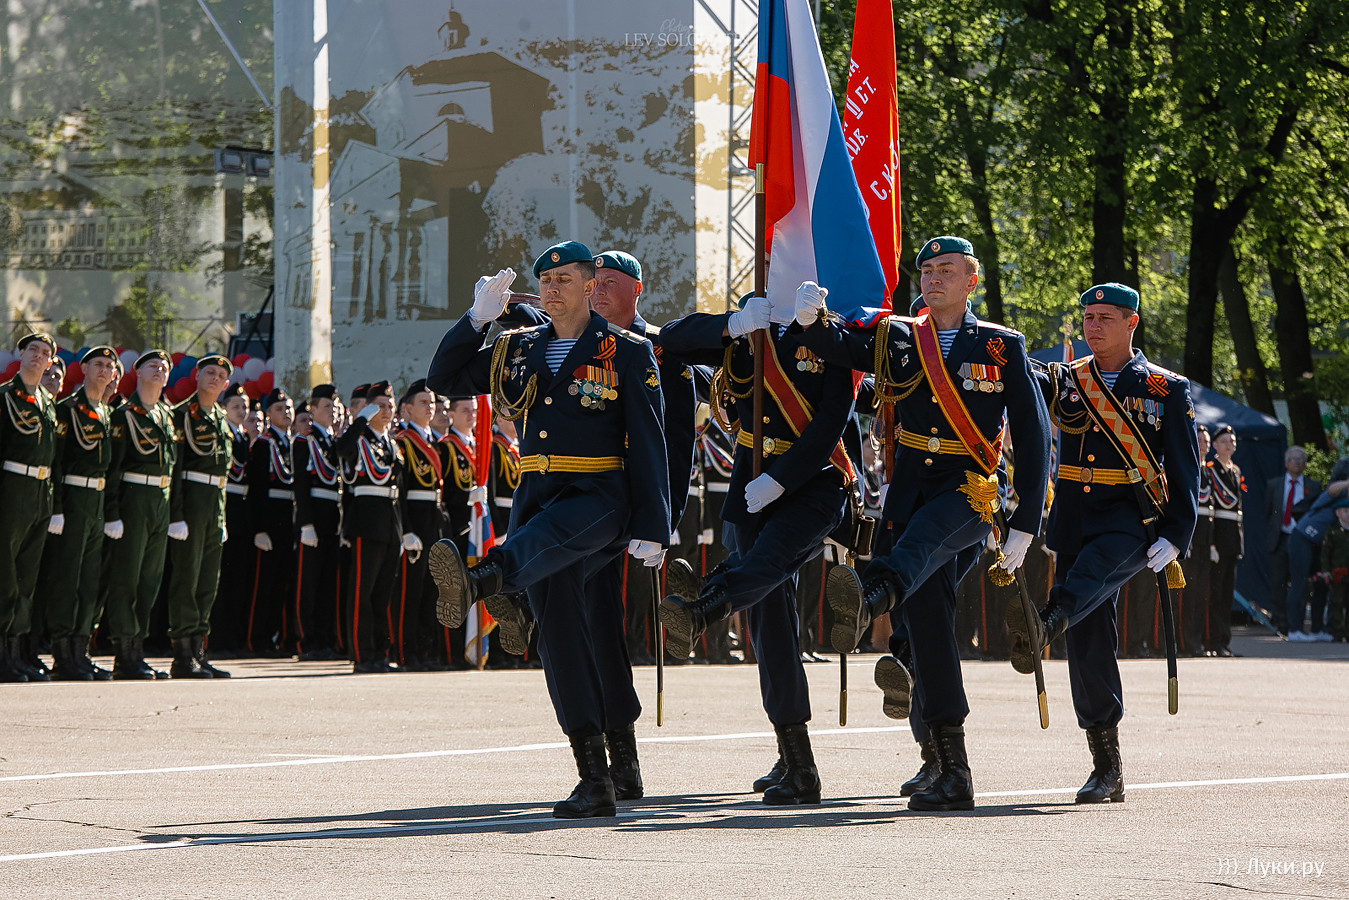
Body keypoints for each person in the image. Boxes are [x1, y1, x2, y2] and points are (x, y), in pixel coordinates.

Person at [793, 236, 1050, 811]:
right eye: (927, 270)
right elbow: (844, 349)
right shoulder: (901, 336)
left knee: (924, 541)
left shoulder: (1001, 345)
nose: (933, 278)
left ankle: (872, 594)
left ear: (971, 280)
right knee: (930, 628)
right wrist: (813, 320)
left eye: (946, 270)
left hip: (969, 489)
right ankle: (951, 768)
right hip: (909, 491)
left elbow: (1034, 436)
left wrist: (1025, 522)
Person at [426, 241, 669, 818]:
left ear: (590, 285)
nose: (553, 288)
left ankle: (483, 577)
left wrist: (654, 524)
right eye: (545, 280)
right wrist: (476, 319)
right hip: (536, 493)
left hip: (600, 494)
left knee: (548, 542)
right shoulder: (518, 346)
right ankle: (594, 777)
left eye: (564, 279)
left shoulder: (626, 351)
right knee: (560, 636)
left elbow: (650, 441)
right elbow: (445, 378)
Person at [657, 274, 859, 806]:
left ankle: (705, 605)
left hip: (812, 482)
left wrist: (783, 479)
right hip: (750, 484)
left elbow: (832, 422)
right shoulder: (750, 327)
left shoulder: (828, 332)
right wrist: (735, 323)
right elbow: (672, 340)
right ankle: (795, 759)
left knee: (766, 564)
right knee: (769, 622)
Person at [1009, 282, 1199, 804]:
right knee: (1089, 640)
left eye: (1105, 318)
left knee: (1088, 574)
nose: (1093, 327)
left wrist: (1178, 533)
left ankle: (1046, 620)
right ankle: (1106, 765)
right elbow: (1016, 383)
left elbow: (1185, 468)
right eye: (1088, 318)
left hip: (1133, 519)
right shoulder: (1066, 379)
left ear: (1131, 323)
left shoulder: (1165, 388)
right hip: (1075, 517)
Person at [42, 346, 119, 680]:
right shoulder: (67, 409)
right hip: (73, 497)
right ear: (84, 369)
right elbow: (56, 461)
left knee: (90, 580)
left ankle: (81, 649)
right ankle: (62, 654)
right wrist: (57, 508)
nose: (103, 370)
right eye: (97, 364)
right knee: (67, 578)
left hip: (96, 500)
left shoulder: (105, 412)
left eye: (109, 366)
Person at [103, 350, 179, 679]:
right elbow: (113, 468)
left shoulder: (166, 415)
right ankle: (124, 654)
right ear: (138, 372)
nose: (159, 370)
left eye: (164, 367)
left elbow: (174, 468)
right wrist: (112, 512)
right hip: (133, 499)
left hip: (160, 500)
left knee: (150, 579)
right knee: (127, 578)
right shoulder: (124, 415)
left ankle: (138, 648)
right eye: (153, 366)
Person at [165, 355, 236, 678]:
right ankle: (182, 656)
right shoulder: (182, 415)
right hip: (191, 504)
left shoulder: (220, 418)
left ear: (226, 384)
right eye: (210, 372)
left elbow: (222, 473)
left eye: (221, 375)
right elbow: (176, 468)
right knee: (187, 579)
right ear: (196, 376)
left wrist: (221, 518)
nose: (215, 378)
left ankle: (198, 651)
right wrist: (177, 514)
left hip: (213, 506)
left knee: (208, 582)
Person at [334, 381, 409, 673]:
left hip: (390, 523)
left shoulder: (391, 444)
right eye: (379, 406)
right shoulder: (360, 439)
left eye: (390, 405)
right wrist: (360, 420)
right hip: (366, 522)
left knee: (383, 594)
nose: (386, 411)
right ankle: (362, 654)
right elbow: (341, 450)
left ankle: (380, 652)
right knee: (361, 593)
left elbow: (399, 491)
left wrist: (403, 531)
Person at [0, 333, 59, 682]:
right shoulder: (5, 397)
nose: (38, 355)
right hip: (13, 488)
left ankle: (16, 652)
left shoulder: (48, 402)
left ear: (50, 362)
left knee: (26, 577)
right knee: (5, 573)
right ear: (20, 354)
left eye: (45, 352)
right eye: (33, 349)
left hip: (40, 492)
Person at [393, 379, 442, 670]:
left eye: (432, 402)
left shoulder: (434, 441)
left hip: (434, 518)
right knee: (410, 591)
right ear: (408, 408)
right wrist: (407, 529)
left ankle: (425, 650)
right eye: (423, 402)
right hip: (415, 519)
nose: (430, 407)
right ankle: (404, 651)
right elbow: (401, 490)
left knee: (431, 590)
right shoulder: (403, 441)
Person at [292, 384, 344, 660]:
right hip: (314, 516)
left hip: (333, 517)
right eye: (326, 406)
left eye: (334, 406)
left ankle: (325, 639)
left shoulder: (334, 442)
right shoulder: (304, 442)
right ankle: (307, 641)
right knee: (308, 584)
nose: (332, 410)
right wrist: (305, 523)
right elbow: (301, 485)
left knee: (328, 584)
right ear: (312, 410)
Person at [246, 388, 297, 656]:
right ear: (268, 414)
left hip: (288, 519)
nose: (285, 412)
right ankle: (257, 640)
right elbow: (257, 489)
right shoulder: (264, 444)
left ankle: (275, 638)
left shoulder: (292, 443)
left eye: (288, 408)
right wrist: (260, 528)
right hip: (270, 519)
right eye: (279, 409)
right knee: (263, 585)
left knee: (282, 583)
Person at [1283, 460, 1349, 640]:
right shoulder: (1336, 490)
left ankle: (1317, 629)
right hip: (1302, 537)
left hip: (1319, 543)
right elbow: (1332, 489)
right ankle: (1294, 629)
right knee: (1299, 583)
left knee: (1322, 583)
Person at [213, 383, 254, 655]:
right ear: (224, 408)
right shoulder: (222, 434)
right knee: (222, 578)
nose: (241, 411)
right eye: (235, 406)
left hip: (241, 512)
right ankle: (217, 640)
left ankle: (233, 638)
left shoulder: (242, 437)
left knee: (239, 579)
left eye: (244, 406)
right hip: (225, 505)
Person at [1267, 447, 1319, 632]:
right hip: (1280, 538)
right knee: (1278, 582)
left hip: (1302, 539)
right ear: (1286, 463)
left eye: (1300, 460)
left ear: (1305, 464)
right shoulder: (1274, 485)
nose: (1297, 463)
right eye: (1293, 459)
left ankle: (1296, 623)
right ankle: (1280, 622)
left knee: (1300, 582)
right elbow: (1268, 512)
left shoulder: (1313, 487)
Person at [1207, 425, 1243, 656]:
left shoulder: (1235, 471)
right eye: (1224, 441)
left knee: (1227, 593)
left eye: (1232, 441)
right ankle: (1214, 640)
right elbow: (1212, 509)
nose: (1229, 445)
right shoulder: (1211, 471)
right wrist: (1211, 544)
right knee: (1216, 593)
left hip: (1232, 539)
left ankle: (1224, 640)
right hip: (1218, 537)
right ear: (1215, 445)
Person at [1179, 425, 1213, 655]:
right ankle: (1185, 643)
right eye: (1199, 440)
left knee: (1201, 594)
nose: (1203, 445)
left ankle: (1198, 641)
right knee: (1187, 597)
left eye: (1206, 441)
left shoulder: (1208, 473)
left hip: (1204, 540)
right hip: (1189, 540)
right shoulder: (1187, 466)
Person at [1316, 497, 1349, 642]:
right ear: (1337, 513)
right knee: (1336, 604)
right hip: (1337, 574)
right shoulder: (1332, 532)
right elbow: (1325, 554)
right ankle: (1337, 632)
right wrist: (1326, 571)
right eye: (1345, 511)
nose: (1348, 514)